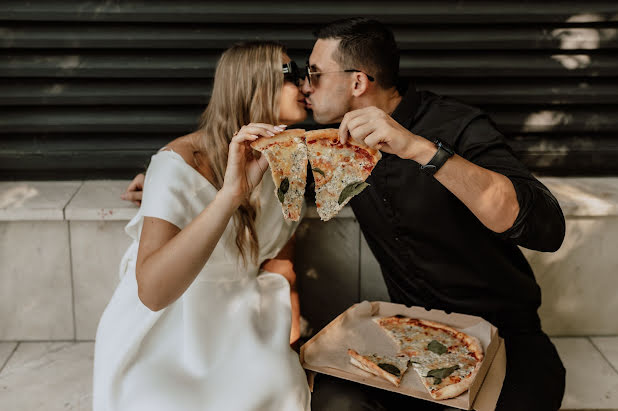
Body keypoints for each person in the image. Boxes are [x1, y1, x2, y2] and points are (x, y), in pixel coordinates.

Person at [123, 18, 567, 410]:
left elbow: (547, 227)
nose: (304, 86)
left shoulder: (457, 127)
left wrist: (421, 151)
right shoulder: (326, 145)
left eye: (314, 74)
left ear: (358, 83)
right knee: (328, 400)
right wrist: (172, 173)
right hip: (404, 334)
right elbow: (240, 158)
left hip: (506, 332)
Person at [93, 41, 311, 411]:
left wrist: (290, 341)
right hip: (168, 325)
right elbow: (153, 292)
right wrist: (228, 197)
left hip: (240, 318)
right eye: (293, 74)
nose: (306, 84)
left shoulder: (290, 161)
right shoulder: (176, 163)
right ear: (252, 85)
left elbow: (281, 262)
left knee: (283, 390)